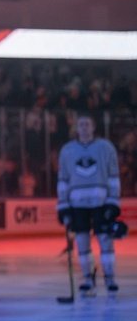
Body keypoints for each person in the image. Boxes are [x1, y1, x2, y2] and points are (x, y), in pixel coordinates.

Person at [57, 112, 122, 296]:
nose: (84, 127)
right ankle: (88, 278)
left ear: (93, 127)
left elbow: (113, 176)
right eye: (81, 125)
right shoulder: (67, 150)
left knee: (105, 240)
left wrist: (113, 202)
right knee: (82, 241)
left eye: (87, 124)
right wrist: (63, 206)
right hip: (77, 204)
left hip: (101, 202)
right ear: (76, 129)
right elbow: (62, 179)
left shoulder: (106, 148)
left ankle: (110, 279)